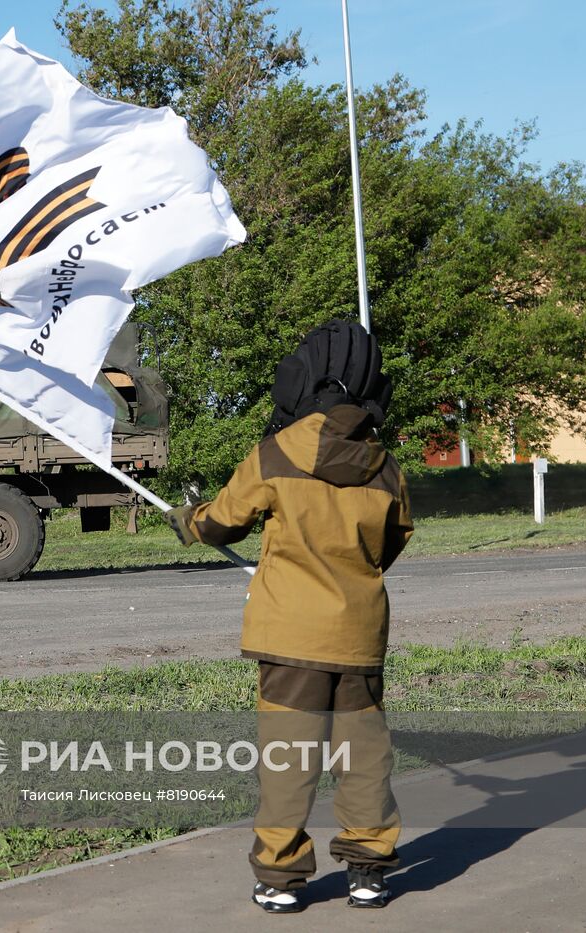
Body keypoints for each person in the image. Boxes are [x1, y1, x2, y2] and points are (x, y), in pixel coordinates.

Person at [167, 320, 414, 913]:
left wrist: (188, 520)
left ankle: (279, 879)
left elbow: (222, 521)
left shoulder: (275, 454)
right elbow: (393, 541)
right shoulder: (384, 468)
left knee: (290, 757)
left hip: (290, 638)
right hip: (358, 634)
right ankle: (368, 872)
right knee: (363, 756)